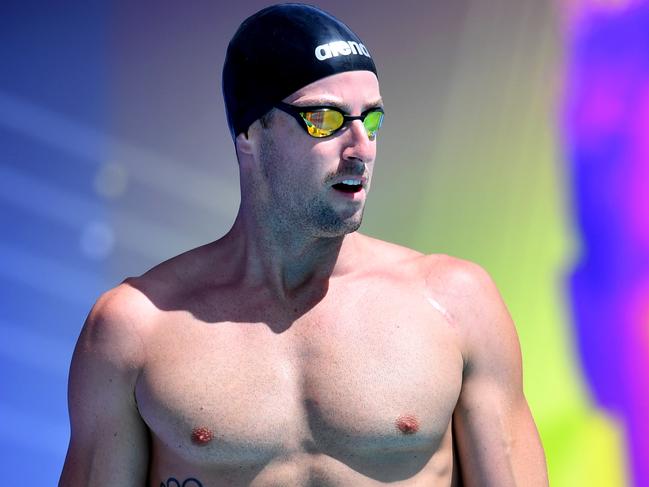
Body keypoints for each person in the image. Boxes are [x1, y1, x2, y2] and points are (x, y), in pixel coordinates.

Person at [59, 4, 548, 486]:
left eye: (371, 120)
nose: (361, 146)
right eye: (324, 119)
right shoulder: (134, 328)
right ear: (249, 132)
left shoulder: (456, 305)